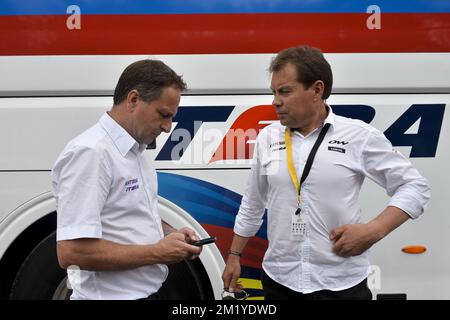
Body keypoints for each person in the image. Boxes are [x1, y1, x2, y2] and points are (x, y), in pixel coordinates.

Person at [222, 45, 430, 300]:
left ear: (317, 90)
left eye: (285, 91)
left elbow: (415, 186)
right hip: (280, 281)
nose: (276, 101)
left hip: (341, 284)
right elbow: (253, 203)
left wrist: (373, 231)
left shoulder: (358, 136)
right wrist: (234, 256)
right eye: (274, 92)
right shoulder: (267, 137)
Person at [52, 59, 202, 300]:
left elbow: (129, 215)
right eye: (163, 115)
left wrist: (171, 234)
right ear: (133, 99)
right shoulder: (91, 153)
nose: (167, 127)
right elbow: (71, 252)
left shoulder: (136, 151)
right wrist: (158, 253)